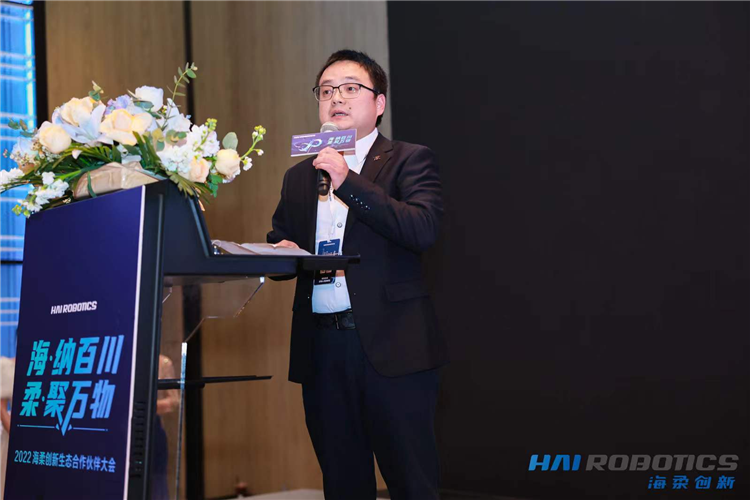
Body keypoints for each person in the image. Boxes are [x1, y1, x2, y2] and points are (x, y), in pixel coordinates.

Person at [267, 49, 448, 500]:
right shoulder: (299, 176)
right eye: (326, 91)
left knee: (412, 483)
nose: (336, 98)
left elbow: (422, 228)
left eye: (350, 88)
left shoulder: (409, 159)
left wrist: (347, 180)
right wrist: (279, 253)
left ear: (379, 103)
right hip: (322, 349)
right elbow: (281, 237)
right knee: (343, 483)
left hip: (392, 349)